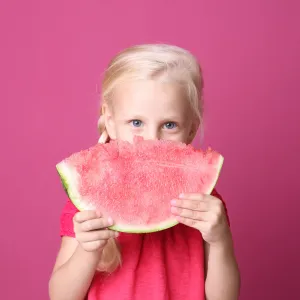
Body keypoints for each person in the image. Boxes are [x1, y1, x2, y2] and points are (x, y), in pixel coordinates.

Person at [49, 44, 240, 300]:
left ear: (192, 129)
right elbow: (60, 296)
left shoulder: (204, 203)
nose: (151, 140)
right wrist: (88, 249)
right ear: (110, 120)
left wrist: (220, 241)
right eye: (136, 122)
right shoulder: (88, 201)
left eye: (170, 125)